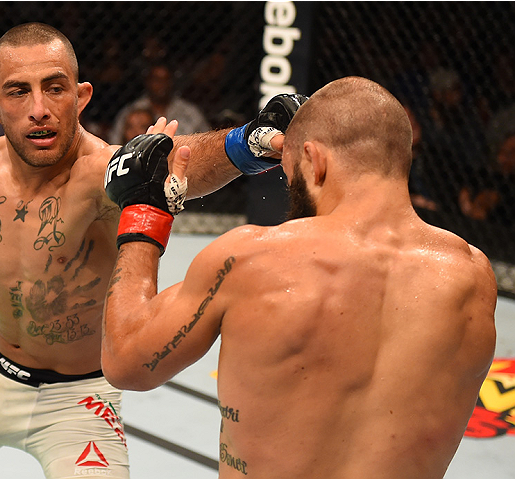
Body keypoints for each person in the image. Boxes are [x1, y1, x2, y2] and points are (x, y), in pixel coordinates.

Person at [0, 22, 302, 479]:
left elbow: (177, 160)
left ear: (80, 97)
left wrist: (249, 142)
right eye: (19, 92)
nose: (39, 109)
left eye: (55, 88)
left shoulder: (101, 171)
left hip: (78, 401)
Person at [101, 76, 498, 479]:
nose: (291, 184)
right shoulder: (472, 277)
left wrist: (144, 208)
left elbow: (127, 360)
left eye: (291, 172)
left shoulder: (250, 260)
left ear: (314, 160)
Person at [107, 63, 210, 144]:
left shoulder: (190, 112)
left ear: (171, 82)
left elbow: (206, 140)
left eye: (165, 79)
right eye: (156, 79)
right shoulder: (132, 111)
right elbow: (115, 141)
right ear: (148, 82)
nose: (161, 84)